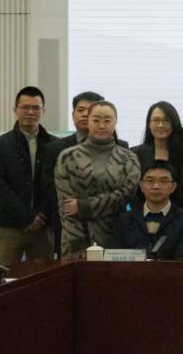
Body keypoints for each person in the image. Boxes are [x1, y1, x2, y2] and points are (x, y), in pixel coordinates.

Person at [41, 90, 124, 256]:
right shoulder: (56, 148)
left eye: (90, 110)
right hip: (70, 225)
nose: (85, 114)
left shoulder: (121, 147)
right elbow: (49, 187)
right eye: (80, 110)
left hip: (109, 225)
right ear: (73, 115)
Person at [55, 101, 141, 259]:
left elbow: (126, 196)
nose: (102, 125)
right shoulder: (68, 157)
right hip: (76, 239)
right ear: (88, 121)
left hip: (117, 236)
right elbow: (66, 207)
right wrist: (78, 243)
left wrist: (84, 206)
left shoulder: (129, 158)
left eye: (107, 120)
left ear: (115, 122)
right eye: (96, 120)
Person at [0, 86, 55, 266]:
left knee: (43, 278)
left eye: (36, 108)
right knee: (4, 278)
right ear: (15, 110)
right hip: (8, 226)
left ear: (43, 111)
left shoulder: (54, 145)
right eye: (25, 107)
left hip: (43, 227)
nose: (30, 112)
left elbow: (56, 185)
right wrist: (27, 217)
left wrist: (41, 215)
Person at [110, 161, 183, 260]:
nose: (156, 186)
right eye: (150, 181)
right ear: (141, 186)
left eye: (163, 181)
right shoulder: (124, 221)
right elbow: (113, 258)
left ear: (173, 187)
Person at [130, 101, 183, 208]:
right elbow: (132, 190)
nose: (160, 125)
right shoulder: (135, 153)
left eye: (166, 121)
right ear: (149, 124)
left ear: (174, 124)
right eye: (156, 120)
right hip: (141, 211)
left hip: (179, 211)